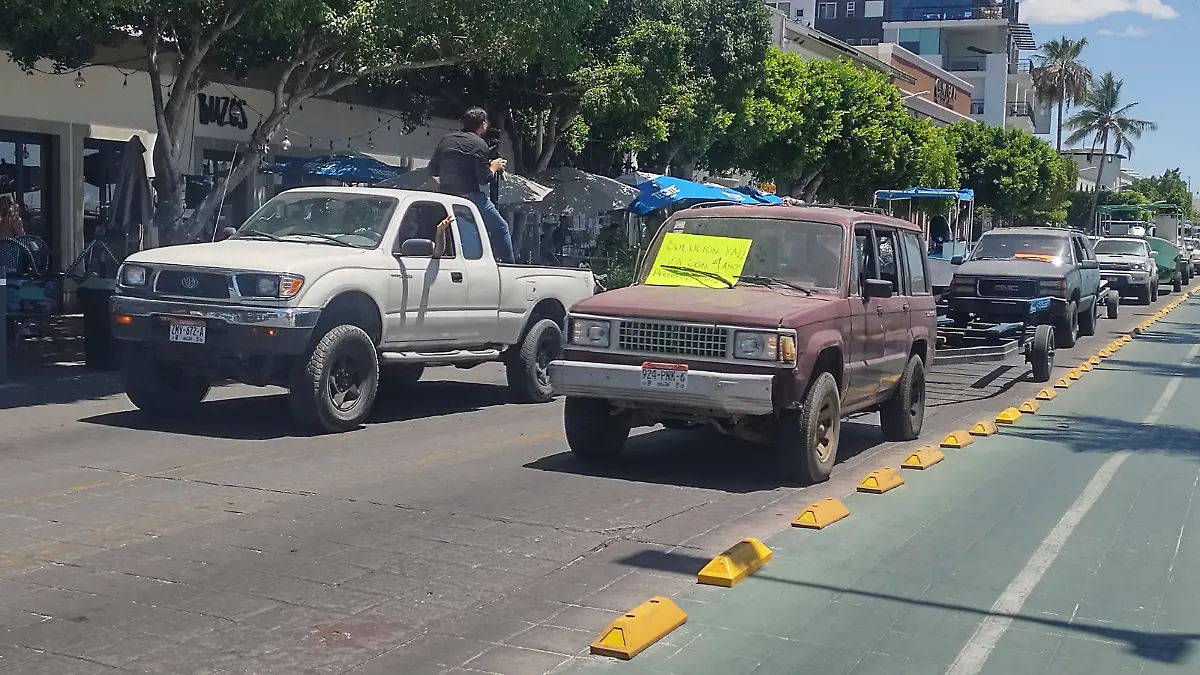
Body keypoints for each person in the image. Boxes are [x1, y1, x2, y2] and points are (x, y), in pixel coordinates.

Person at [428, 108, 516, 263]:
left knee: (462, 234)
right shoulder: (479, 144)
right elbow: (484, 178)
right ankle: (510, 266)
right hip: (470, 197)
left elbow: (432, 171)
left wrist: (447, 189)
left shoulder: (446, 139)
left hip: (446, 198)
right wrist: (495, 166)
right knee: (501, 228)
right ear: (483, 124)